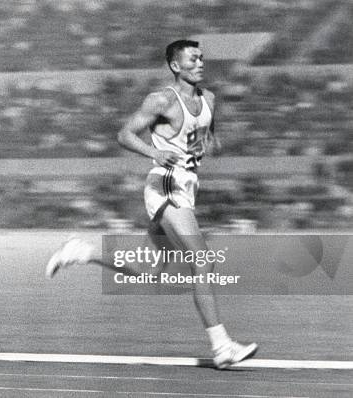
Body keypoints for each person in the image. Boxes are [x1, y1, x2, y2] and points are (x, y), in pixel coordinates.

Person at [46, 40, 257, 369]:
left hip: (187, 187)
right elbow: (124, 134)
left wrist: (213, 143)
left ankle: (81, 252)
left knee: (148, 270)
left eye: (202, 57)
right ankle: (222, 346)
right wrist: (155, 152)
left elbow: (206, 135)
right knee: (202, 261)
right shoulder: (160, 100)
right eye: (193, 59)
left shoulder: (210, 99)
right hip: (165, 183)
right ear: (176, 65)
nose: (201, 63)